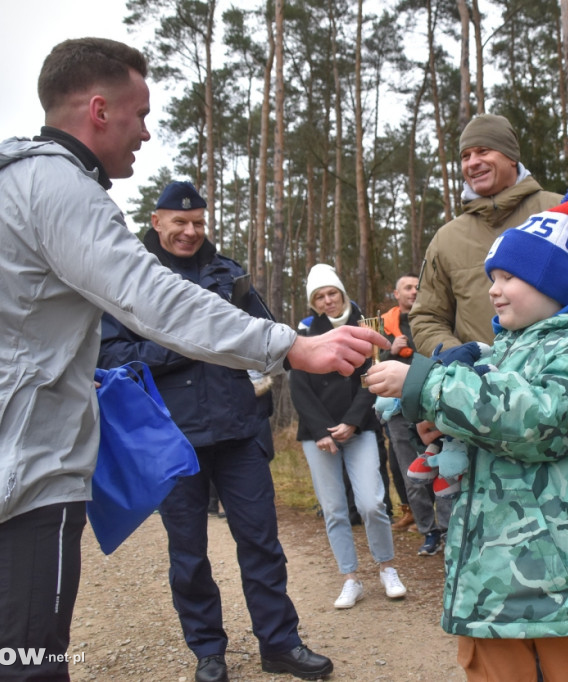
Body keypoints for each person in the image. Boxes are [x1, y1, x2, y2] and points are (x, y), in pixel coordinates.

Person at [0, 38, 384, 680]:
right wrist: (291, 345)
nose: (148, 131)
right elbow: (154, 299)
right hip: (16, 476)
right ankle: (208, 652)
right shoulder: (58, 188)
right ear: (100, 110)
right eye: (140, 113)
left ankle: (278, 639)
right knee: (22, 662)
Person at [408, 113, 568, 682]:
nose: (475, 162)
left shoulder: (557, 211)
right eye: (465, 153)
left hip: (556, 399)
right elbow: (424, 314)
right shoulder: (448, 237)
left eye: (486, 151)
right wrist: (459, 367)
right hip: (475, 407)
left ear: (511, 153)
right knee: (497, 535)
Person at [366, 187, 568, 682]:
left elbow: (543, 421)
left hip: (563, 594)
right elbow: (484, 418)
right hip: (489, 585)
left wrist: (428, 384)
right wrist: (437, 418)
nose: (493, 289)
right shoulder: (497, 351)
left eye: (509, 276)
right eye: (492, 277)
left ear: (552, 282)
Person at [96, 181, 331, 682]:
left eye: (198, 222)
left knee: (262, 543)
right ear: (156, 222)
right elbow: (111, 358)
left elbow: (269, 339)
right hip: (171, 441)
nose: (189, 231)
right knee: (189, 554)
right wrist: (189, 344)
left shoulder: (230, 276)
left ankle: (280, 643)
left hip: (239, 432)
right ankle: (208, 651)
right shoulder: (130, 279)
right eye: (178, 222)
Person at [289, 264, 408, 610]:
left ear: (342, 293)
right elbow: (299, 388)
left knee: (372, 502)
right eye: (320, 297)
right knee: (335, 509)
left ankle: (387, 568)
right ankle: (350, 578)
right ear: (314, 302)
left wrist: (353, 423)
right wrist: (321, 430)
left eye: (332, 293)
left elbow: (372, 378)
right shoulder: (306, 333)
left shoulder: (364, 327)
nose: (328, 301)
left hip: (360, 428)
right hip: (319, 435)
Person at [379, 273, 452, 555]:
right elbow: (370, 367)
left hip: (432, 403)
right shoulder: (384, 328)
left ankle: (447, 531)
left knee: (443, 466)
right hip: (397, 408)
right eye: (407, 287)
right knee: (412, 473)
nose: (414, 291)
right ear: (396, 294)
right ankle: (428, 532)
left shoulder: (434, 319)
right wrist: (389, 353)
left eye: (417, 287)